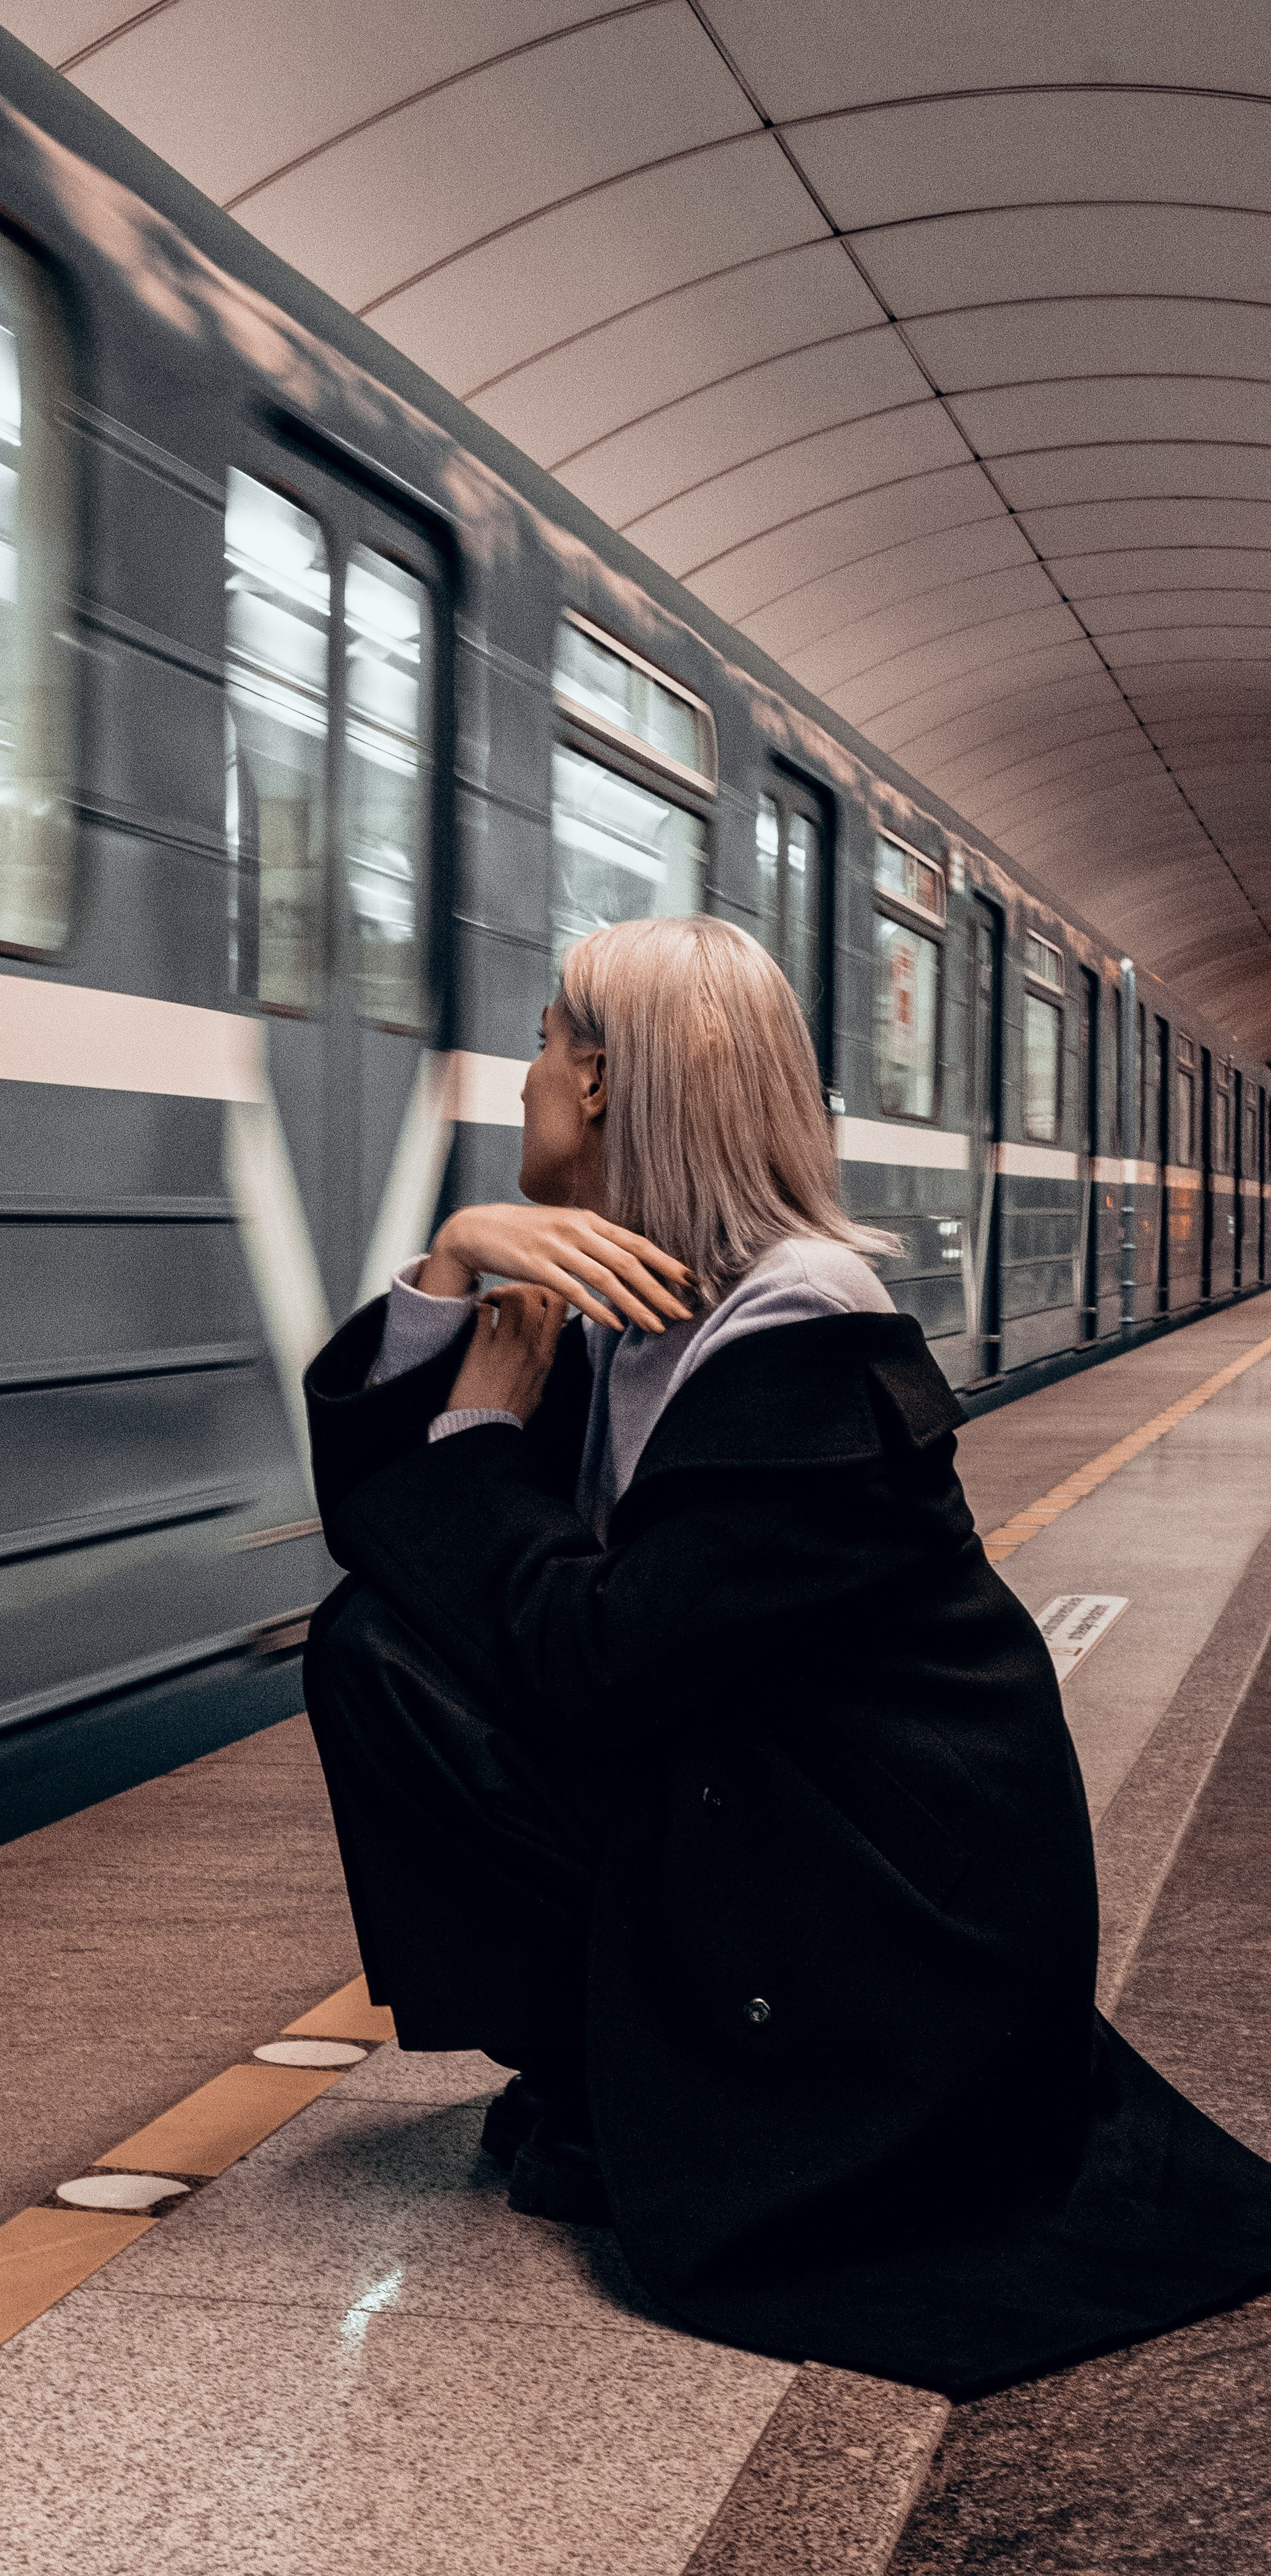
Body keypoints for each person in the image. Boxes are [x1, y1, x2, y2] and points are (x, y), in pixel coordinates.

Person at [301, 913, 1271, 2399]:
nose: (519, 1079)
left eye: (544, 1045)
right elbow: (397, 1541)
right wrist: (442, 1278)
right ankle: (594, 2068)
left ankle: (631, 2083)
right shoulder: (652, 1303)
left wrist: (484, 1430)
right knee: (379, 1644)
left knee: (383, 1658)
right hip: (776, 1825)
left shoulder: (803, 1334)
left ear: (607, 1082)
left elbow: (587, 1662)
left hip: (883, 1924)